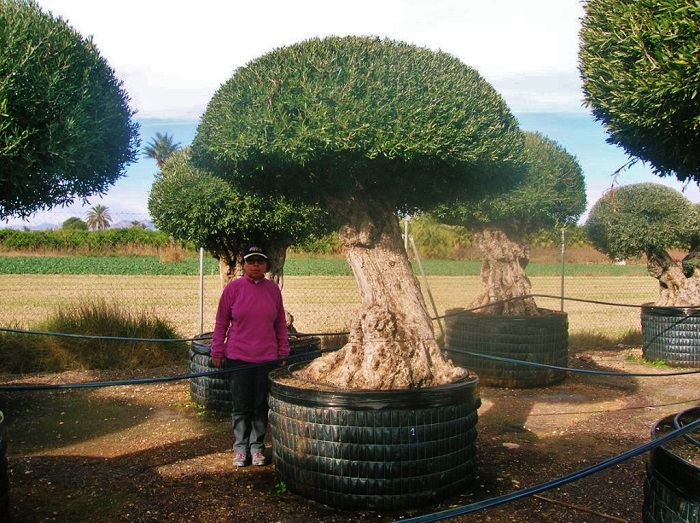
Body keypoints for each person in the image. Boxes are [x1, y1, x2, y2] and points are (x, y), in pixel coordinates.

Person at [210, 245, 290, 467]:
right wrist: (216, 350)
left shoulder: (273, 290)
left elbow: (280, 324)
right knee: (241, 405)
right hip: (238, 358)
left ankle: (257, 448)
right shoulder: (233, 289)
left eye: (260, 260)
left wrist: (283, 351)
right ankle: (240, 448)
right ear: (244, 264)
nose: (256, 264)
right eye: (251, 260)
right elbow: (221, 322)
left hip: (266, 358)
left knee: (259, 405)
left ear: (266, 265)